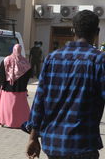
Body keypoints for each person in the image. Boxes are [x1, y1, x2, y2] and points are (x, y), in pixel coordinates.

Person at [26, 10, 104, 159]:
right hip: (82, 145)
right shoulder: (99, 61)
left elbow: (39, 101)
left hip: (53, 144)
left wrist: (33, 137)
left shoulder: (52, 58)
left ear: (73, 30)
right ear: (97, 31)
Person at [0, 44, 31, 128]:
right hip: (21, 89)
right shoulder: (25, 62)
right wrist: (23, 84)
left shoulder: (6, 60)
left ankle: (5, 121)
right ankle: (21, 122)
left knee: (6, 106)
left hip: (8, 87)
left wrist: (3, 83)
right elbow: (29, 73)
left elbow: (1, 72)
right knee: (20, 107)